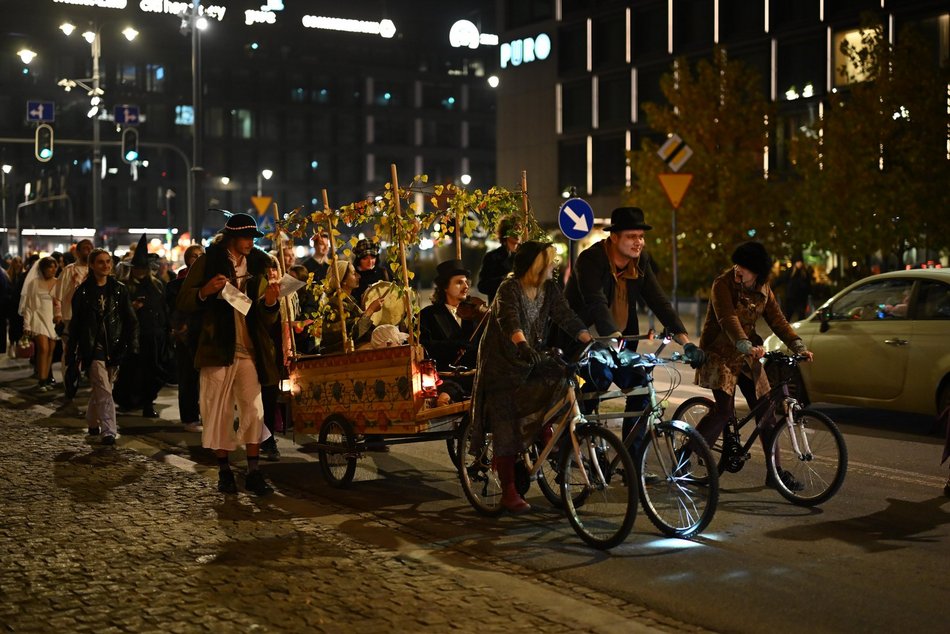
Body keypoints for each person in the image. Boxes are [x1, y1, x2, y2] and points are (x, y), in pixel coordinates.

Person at [564, 206, 704, 445]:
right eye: (631, 236)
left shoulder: (639, 261)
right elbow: (596, 302)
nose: (638, 242)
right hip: (584, 340)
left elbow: (658, 300)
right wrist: (613, 336)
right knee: (598, 379)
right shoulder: (591, 259)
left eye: (641, 236)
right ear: (614, 237)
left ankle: (632, 462)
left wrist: (686, 342)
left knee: (641, 387)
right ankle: (571, 447)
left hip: (618, 341)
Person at [473, 240, 593, 513]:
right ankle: (508, 491)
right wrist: (522, 345)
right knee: (506, 423)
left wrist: (587, 338)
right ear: (536, 267)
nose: (553, 266)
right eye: (549, 262)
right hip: (503, 362)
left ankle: (542, 431)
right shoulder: (509, 288)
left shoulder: (549, 288)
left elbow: (565, 315)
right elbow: (509, 320)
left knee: (563, 380)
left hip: (532, 356)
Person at [693, 241, 813, 491]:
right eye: (738, 264)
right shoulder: (722, 284)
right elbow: (727, 319)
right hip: (720, 353)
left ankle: (775, 473)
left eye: (745, 267)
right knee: (724, 411)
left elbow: (778, 321)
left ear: (757, 271)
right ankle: (685, 457)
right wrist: (744, 343)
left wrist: (798, 346)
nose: (739, 269)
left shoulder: (764, 290)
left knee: (767, 411)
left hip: (748, 354)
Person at [177, 212, 281, 496]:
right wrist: (206, 291)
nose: (250, 242)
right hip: (217, 348)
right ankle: (224, 472)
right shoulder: (208, 261)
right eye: (246, 237)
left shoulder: (260, 265)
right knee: (218, 410)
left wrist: (271, 302)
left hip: (249, 349)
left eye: (252, 238)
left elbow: (264, 316)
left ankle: (253, 471)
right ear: (232, 238)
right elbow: (184, 299)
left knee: (254, 410)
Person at [68, 248, 138, 445]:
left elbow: (130, 319)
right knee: (104, 388)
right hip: (92, 346)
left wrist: (132, 344)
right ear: (92, 265)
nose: (106, 265)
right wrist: (72, 352)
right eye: (101, 262)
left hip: (114, 345)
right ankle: (109, 431)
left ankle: (92, 420)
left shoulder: (119, 289)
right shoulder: (82, 292)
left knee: (104, 386)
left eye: (108, 262)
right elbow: (76, 325)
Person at [114, 235, 169, 418]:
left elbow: (163, 308)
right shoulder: (125, 288)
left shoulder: (157, 286)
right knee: (133, 371)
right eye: (137, 268)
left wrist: (165, 330)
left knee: (153, 371)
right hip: (134, 337)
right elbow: (119, 313)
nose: (140, 271)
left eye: (143, 268)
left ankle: (147, 402)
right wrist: (133, 308)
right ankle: (132, 401)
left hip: (153, 335)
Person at [419, 259, 486, 392]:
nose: (466, 286)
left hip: (477, 378)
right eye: (459, 282)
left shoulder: (476, 312)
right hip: (446, 380)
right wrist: (453, 345)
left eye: (466, 282)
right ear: (445, 287)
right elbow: (425, 347)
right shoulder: (428, 315)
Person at [166, 243, 205, 432]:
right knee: (188, 377)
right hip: (185, 336)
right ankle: (189, 417)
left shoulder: (209, 282)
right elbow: (174, 309)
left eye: (201, 255)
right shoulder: (176, 285)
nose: (197, 259)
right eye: (194, 256)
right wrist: (179, 328)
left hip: (205, 335)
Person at [52, 239, 93, 392]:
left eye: (90, 248)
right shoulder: (69, 270)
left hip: (90, 319)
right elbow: (57, 295)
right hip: (70, 318)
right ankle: (69, 381)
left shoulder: (95, 271)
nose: (88, 251)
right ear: (77, 252)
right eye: (85, 248)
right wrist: (58, 314)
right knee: (70, 350)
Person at [318, 260, 383, 354]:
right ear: (343, 280)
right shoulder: (334, 304)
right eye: (353, 273)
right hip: (338, 352)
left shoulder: (348, 299)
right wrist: (370, 310)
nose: (359, 276)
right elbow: (351, 335)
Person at [19, 256, 60, 390]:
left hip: (52, 319)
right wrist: (27, 324)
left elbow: (59, 303)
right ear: (43, 269)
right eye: (50, 267)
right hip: (37, 318)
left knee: (51, 350)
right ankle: (41, 380)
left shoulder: (57, 282)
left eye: (55, 267)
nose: (53, 270)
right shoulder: (34, 283)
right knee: (43, 348)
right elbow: (28, 306)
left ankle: (47, 378)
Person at [476, 215, 521, 303]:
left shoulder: (525, 255)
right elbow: (482, 286)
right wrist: (505, 279)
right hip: (500, 308)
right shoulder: (493, 257)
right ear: (505, 233)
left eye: (519, 229)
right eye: (514, 229)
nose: (518, 232)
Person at [351, 238, 390, 305]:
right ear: (359, 259)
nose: (370, 262)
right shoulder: (352, 275)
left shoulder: (382, 272)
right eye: (365, 258)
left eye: (372, 258)